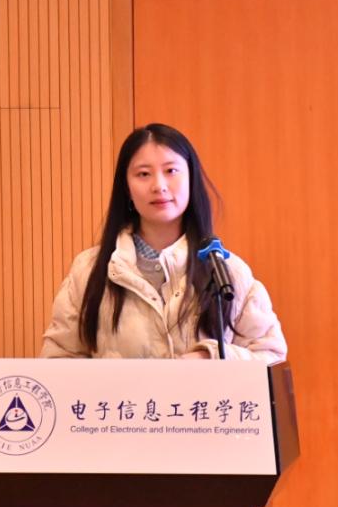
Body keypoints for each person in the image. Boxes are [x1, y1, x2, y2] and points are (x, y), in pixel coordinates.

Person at [41, 123, 286, 363]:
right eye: (143, 174)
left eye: (171, 171)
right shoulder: (89, 269)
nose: (159, 186)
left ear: (191, 180)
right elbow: (58, 359)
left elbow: (271, 355)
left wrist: (210, 357)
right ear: (126, 188)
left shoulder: (227, 270)